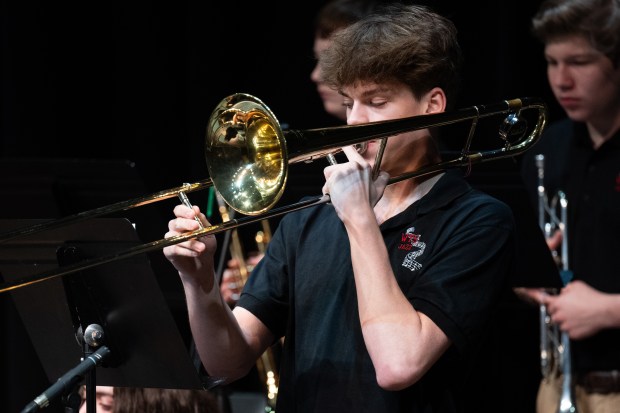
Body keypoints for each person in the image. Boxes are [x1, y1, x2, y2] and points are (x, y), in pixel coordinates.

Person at [164, 4, 516, 412]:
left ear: (432, 104)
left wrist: (360, 220)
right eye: (349, 103)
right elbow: (226, 361)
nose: (356, 122)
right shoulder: (307, 217)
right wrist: (199, 283)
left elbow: (398, 365)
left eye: (377, 101)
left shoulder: (477, 220)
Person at [517, 0, 620, 412]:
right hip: (559, 383)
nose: (561, 80)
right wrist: (526, 279)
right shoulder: (547, 149)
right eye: (552, 61)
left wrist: (610, 311)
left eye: (579, 62)